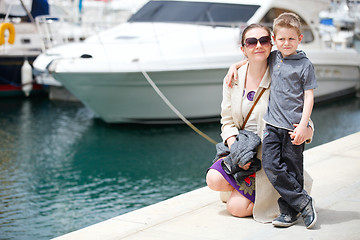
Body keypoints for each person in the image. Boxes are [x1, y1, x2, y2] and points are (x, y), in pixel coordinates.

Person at [206, 23, 314, 223]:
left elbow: (298, 111)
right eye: (251, 41)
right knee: (213, 179)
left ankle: (286, 195)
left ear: (271, 45)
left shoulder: (283, 74)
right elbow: (227, 120)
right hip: (245, 151)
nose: (258, 45)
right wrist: (236, 149)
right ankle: (247, 187)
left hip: (272, 157)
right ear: (243, 48)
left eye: (264, 40)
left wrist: (307, 130)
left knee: (237, 209)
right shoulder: (233, 77)